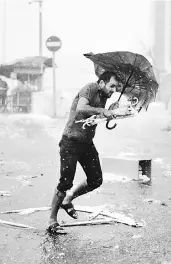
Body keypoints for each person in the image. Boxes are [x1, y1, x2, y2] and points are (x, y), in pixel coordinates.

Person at [47, 71, 123, 233]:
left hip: (87, 143)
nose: (114, 90)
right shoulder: (90, 88)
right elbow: (82, 109)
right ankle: (52, 220)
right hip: (70, 142)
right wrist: (102, 110)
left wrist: (111, 112)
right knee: (65, 182)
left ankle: (68, 199)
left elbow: (93, 119)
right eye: (112, 86)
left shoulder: (104, 97)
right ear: (101, 83)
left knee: (96, 180)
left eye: (116, 87)